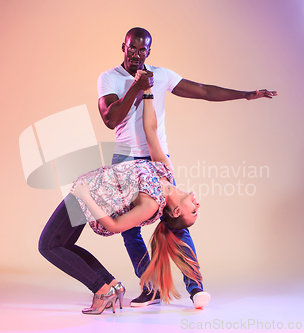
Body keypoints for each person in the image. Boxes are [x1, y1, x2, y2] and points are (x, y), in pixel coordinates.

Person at [97, 27, 277, 308]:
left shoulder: (163, 75)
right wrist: (138, 86)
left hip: (156, 160)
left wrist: (246, 94)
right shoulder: (109, 78)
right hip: (125, 163)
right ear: (123, 46)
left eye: (142, 50)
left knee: (176, 221)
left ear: (148, 52)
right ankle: (152, 287)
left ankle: (195, 288)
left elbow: (203, 91)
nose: (135, 55)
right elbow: (111, 119)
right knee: (130, 230)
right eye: (131, 48)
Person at [38, 75, 202, 315]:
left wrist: (85, 196)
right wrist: (147, 93)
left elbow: (115, 226)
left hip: (88, 197)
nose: (198, 204)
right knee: (62, 244)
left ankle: (101, 289)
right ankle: (111, 285)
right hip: (89, 188)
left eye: (194, 211)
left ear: (176, 211)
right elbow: (150, 130)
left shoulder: (152, 203)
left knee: (48, 245)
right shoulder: (165, 171)